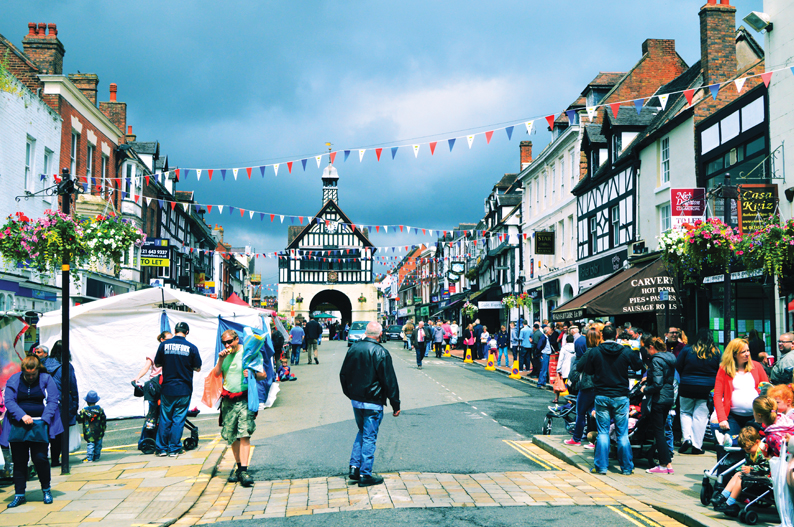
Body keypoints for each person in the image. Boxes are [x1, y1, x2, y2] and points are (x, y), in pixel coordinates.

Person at [339, 322, 400, 487]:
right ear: (380, 335)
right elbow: (389, 381)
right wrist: (395, 404)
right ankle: (365, 474)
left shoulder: (353, 349)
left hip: (356, 400)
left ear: (366, 333)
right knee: (369, 436)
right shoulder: (381, 352)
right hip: (373, 401)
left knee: (362, 432)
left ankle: (354, 467)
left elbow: (343, 374)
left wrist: (350, 394)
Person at [581, 325, 643, 475]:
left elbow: (588, 370)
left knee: (602, 432)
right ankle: (627, 468)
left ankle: (601, 467)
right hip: (621, 396)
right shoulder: (625, 351)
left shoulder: (595, 352)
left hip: (602, 395)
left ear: (602, 336)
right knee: (622, 434)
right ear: (616, 336)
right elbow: (638, 366)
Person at [4, 355, 63, 508]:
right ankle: (19, 494)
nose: (30, 377)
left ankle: (46, 490)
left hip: (39, 424)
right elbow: (9, 401)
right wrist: (22, 415)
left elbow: (53, 399)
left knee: (40, 459)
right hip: (19, 424)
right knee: (19, 461)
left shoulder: (46, 378)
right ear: (22, 371)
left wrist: (45, 419)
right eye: (27, 374)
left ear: (38, 371)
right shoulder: (14, 379)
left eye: (33, 374)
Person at [212, 329, 267, 487]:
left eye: (230, 342)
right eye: (225, 343)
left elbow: (263, 374)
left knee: (244, 433)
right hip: (228, 399)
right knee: (232, 435)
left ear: (237, 340)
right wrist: (221, 360)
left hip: (244, 398)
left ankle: (244, 469)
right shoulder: (224, 355)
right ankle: (238, 467)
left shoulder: (249, 351)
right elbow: (216, 374)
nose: (228, 345)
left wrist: (251, 373)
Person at [153, 322, 202, 457]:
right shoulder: (192, 348)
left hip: (168, 387)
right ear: (187, 332)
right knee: (178, 420)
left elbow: (157, 363)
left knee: (165, 418)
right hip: (184, 389)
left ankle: (162, 448)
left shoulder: (163, 345)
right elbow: (198, 368)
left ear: (175, 331)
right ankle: (174, 449)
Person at [676, 329, 721, 455]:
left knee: (685, 412)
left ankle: (687, 438)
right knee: (700, 416)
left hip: (687, 385)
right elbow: (720, 369)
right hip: (706, 388)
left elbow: (678, 365)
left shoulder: (687, 350)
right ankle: (697, 445)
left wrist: (685, 375)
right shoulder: (716, 352)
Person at [713, 338, 769, 441]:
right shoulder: (724, 369)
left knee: (752, 447)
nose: (747, 354)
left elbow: (767, 390)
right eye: (743, 352)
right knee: (732, 446)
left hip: (755, 417)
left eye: (748, 350)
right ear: (734, 354)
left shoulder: (757, 366)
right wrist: (722, 419)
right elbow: (717, 395)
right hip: (733, 416)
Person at [712, 426, 770, 516]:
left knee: (740, 477)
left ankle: (730, 502)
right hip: (755, 474)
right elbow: (748, 464)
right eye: (746, 450)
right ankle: (723, 495)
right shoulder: (751, 452)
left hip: (764, 476)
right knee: (738, 474)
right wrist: (743, 469)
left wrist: (751, 469)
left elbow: (766, 468)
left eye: (749, 449)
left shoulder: (763, 451)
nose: (747, 451)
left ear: (757, 442)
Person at [643, 337, 677, 475]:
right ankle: (668, 464)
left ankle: (663, 464)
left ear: (651, 347)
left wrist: (645, 389)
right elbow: (664, 376)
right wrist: (649, 378)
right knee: (661, 430)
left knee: (659, 432)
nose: (647, 353)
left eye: (647, 349)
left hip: (659, 399)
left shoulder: (656, 360)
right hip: (668, 397)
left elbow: (657, 384)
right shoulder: (669, 358)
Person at [134, 331, 170, 451]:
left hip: (165, 384)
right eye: (167, 339)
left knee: (162, 415)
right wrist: (137, 378)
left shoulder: (170, 352)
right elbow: (146, 367)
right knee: (152, 415)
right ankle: (143, 441)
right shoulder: (154, 353)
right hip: (154, 385)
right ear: (161, 340)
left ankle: (160, 440)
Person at [46, 340, 78, 468]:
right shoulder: (67, 366)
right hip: (63, 402)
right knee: (61, 432)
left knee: (49, 431)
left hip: (48, 401)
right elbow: (72, 386)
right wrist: (75, 403)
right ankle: (58, 459)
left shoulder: (45, 364)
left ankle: (48, 458)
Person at [76, 391, 106, 463]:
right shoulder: (100, 410)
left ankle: (89, 458)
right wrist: (103, 429)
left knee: (90, 444)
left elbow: (80, 418)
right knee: (98, 444)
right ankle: (97, 456)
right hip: (99, 431)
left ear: (87, 401)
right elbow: (103, 420)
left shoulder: (84, 411)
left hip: (89, 432)